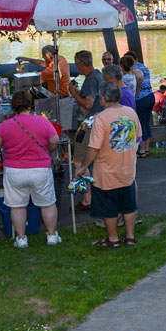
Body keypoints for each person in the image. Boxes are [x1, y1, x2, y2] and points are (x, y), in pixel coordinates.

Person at [0, 90, 61, 248]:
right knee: (48, 204)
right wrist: (48, 149)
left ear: (13, 106)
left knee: (17, 206)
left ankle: (21, 239)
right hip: (40, 169)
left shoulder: (6, 125)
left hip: (15, 170)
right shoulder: (42, 121)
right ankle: (51, 235)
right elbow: (55, 140)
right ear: (30, 104)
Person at [74, 82, 142, 248]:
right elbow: (136, 137)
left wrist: (83, 167)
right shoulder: (131, 112)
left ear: (103, 98)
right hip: (127, 170)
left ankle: (113, 239)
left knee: (109, 207)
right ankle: (130, 237)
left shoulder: (101, 118)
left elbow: (94, 148)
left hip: (106, 172)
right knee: (129, 206)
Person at [69, 50, 104, 211]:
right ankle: (91, 195)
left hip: (89, 124)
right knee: (90, 160)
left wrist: (73, 93)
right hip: (95, 122)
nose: (76, 68)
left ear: (81, 64)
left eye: (77, 65)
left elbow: (88, 104)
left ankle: (88, 198)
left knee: (79, 161)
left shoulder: (91, 79)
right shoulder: (97, 75)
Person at [125, 51, 155, 158]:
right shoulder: (143, 66)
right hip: (150, 95)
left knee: (141, 124)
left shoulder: (134, 68)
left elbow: (139, 77)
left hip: (141, 98)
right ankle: (146, 149)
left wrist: (137, 90)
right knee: (146, 123)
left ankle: (142, 150)